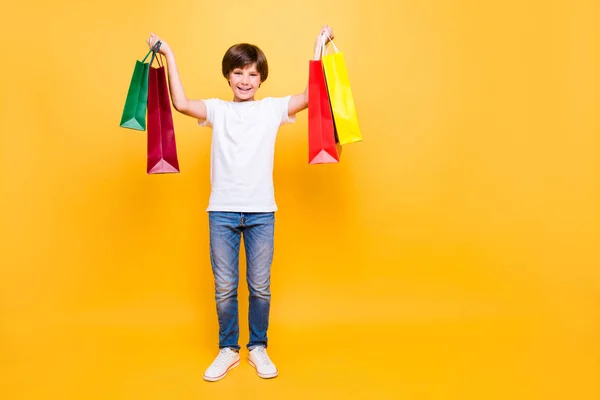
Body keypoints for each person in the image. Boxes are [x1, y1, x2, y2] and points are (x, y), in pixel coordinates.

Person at [146, 25, 334, 381]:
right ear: (228, 76)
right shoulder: (217, 111)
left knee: (260, 286)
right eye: (238, 73)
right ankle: (229, 349)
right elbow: (181, 103)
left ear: (261, 79)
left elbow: (311, 95)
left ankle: (258, 347)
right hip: (222, 212)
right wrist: (168, 53)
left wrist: (317, 47)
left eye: (252, 74)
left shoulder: (272, 109)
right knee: (225, 286)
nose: (245, 80)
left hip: (263, 211)